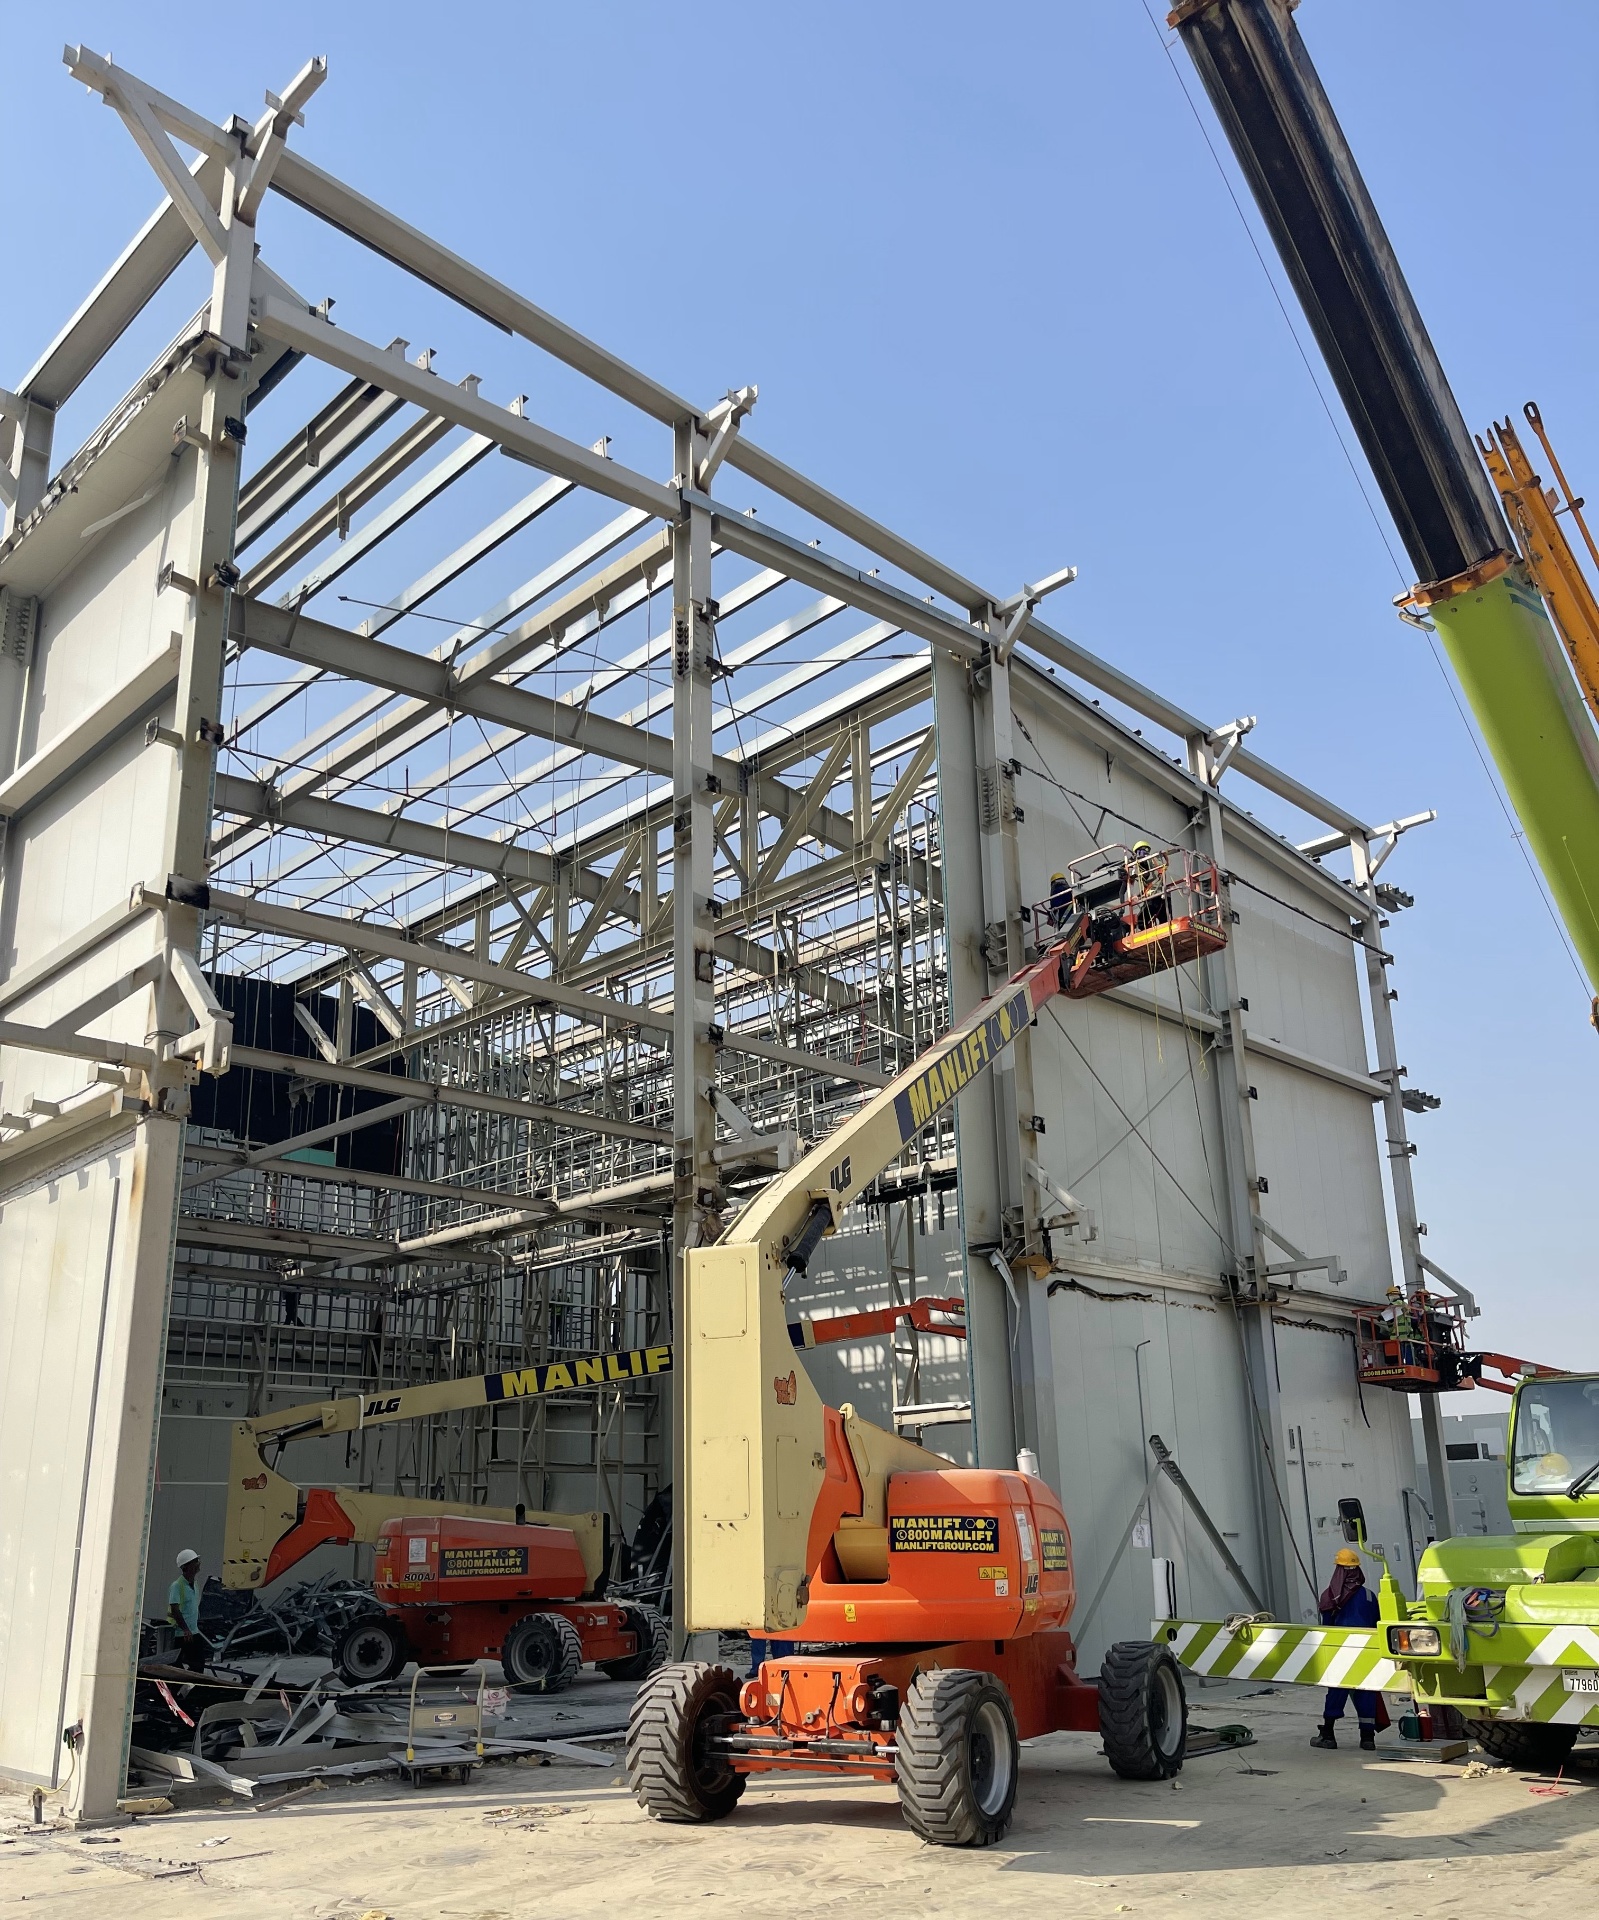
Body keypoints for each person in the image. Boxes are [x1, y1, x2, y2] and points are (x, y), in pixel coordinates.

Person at [1310, 1549, 1380, 1750]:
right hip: (1366, 1650)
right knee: (1367, 1691)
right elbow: (1376, 1622)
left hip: (1341, 1650)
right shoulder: (1369, 1595)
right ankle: (1367, 1738)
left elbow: (1327, 1627)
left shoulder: (1332, 1595)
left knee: (1336, 1691)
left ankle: (1328, 1735)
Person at [167, 1548, 210, 1672]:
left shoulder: (194, 1584)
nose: (198, 1564)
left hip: (193, 1632)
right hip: (182, 1634)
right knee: (178, 1665)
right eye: (195, 1561)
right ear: (186, 1566)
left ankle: (192, 1688)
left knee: (198, 1664)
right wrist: (185, 1629)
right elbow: (175, 1610)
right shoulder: (177, 1586)